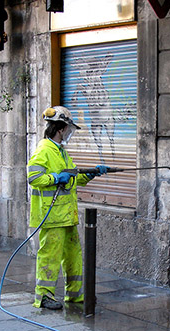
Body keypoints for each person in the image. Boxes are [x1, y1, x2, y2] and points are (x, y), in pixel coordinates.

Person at [27, 106, 108, 310]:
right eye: (69, 129)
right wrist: (55, 178)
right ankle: (43, 297)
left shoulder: (60, 152)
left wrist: (91, 173)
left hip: (66, 214)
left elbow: (72, 177)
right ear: (61, 128)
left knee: (73, 256)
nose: (69, 134)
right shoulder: (45, 149)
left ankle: (75, 295)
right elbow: (33, 177)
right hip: (51, 214)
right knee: (50, 256)